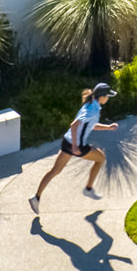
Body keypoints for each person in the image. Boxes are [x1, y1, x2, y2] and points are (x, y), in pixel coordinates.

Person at [29, 82, 117, 213]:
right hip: (77, 145)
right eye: (107, 96)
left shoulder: (91, 104)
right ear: (102, 96)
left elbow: (91, 125)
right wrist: (76, 146)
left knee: (55, 170)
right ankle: (88, 189)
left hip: (67, 141)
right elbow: (74, 125)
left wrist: (108, 128)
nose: (108, 98)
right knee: (100, 158)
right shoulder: (92, 110)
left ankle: (36, 198)